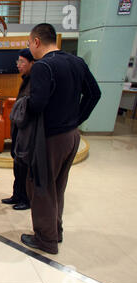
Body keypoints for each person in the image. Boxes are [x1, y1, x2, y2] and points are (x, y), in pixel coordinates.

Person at [21, 23, 101, 254]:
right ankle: (56, 230)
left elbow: (37, 104)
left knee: (41, 187)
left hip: (49, 138)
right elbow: (94, 93)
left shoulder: (42, 66)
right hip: (71, 136)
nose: (30, 48)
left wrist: (24, 105)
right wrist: (76, 119)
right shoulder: (77, 62)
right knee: (58, 186)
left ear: (36, 41)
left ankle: (46, 240)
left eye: (29, 43)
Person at [2, 48, 35, 211]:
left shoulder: (35, 80)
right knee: (17, 164)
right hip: (18, 129)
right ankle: (17, 195)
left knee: (24, 166)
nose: (18, 64)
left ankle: (26, 199)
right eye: (18, 61)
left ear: (32, 63)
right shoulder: (26, 79)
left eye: (22, 61)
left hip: (26, 131)